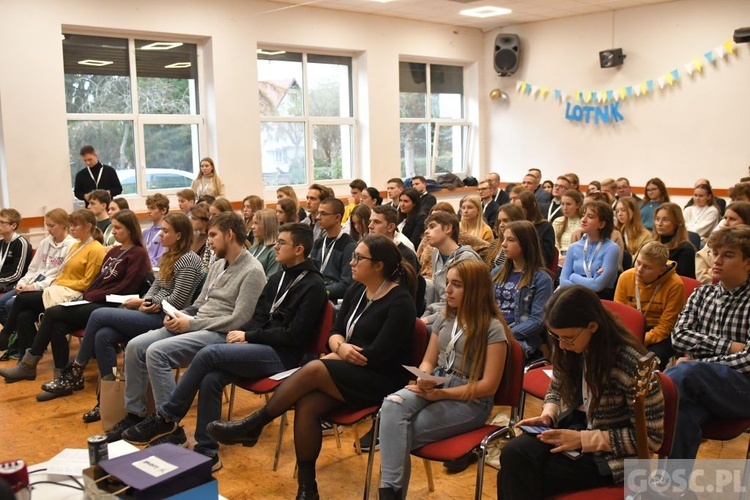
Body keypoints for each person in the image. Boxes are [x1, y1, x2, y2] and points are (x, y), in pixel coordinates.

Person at [207, 234, 418, 499]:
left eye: (358, 258)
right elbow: (335, 331)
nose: (352, 262)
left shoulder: (400, 302)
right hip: (349, 368)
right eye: (353, 256)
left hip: (381, 379)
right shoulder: (357, 289)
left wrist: (336, 352)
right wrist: (339, 347)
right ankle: (307, 488)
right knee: (307, 404)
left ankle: (255, 423)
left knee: (316, 369)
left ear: (379, 266)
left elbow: (377, 355)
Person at [120, 223, 326, 470]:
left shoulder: (313, 286)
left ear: (299, 249)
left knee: (209, 354)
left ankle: (167, 416)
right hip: (261, 344)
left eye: (282, 243)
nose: (276, 247)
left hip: (283, 356)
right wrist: (250, 334)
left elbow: (295, 336)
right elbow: (260, 315)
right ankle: (207, 450)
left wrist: (250, 335)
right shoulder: (280, 276)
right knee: (211, 378)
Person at [106, 212, 266, 443]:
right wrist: (178, 315)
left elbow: (239, 320)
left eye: (213, 235)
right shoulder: (218, 264)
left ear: (230, 235)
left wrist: (190, 323)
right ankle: (135, 413)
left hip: (219, 334)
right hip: (196, 324)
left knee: (156, 353)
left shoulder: (252, 271)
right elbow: (200, 303)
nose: (208, 240)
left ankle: (170, 427)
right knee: (135, 346)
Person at [498, 285, 664, 498]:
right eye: (557, 337)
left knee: (522, 474)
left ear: (592, 326)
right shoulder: (567, 347)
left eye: (568, 337)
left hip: (612, 454)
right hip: (574, 427)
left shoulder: (630, 363)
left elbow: (650, 439)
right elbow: (556, 387)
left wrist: (583, 440)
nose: (562, 345)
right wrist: (548, 415)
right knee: (513, 453)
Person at [42, 213, 203, 420]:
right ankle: (107, 401)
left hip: (166, 319)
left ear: (179, 235)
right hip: (152, 311)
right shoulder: (168, 256)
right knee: (103, 336)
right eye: (161, 230)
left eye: (165, 231)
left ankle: (76, 369)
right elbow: (154, 288)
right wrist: (146, 302)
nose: (160, 235)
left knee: (99, 315)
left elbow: (178, 301)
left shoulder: (188, 260)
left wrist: (146, 303)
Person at [378, 259, 510, 498]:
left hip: (470, 400)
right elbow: (429, 360)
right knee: (391, 405)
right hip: (437, 383)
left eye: (456, 285)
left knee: (396, 432)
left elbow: (488, 386)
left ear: (475, 290)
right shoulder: (446, 317)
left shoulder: (493, 328)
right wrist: (424, 377)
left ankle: (389, 494)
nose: (446, 290)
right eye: (447, 282)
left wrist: (441, 393)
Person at [0, 210, 150, 397]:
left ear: (130, 229)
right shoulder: (114, 251)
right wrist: (91, 293)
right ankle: (62, 378)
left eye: (118, 228)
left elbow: (127, 287)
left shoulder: (138, 254)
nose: (114, 232)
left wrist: (93, 294)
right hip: (93, 298)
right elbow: (99, 280)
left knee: (52, 313)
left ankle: (29, 363)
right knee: (57, 325)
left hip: (111, 305)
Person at [666, 225, 750, 461]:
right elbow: (679, 336)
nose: (717, 260)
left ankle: (648, 407)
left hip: (742, 389)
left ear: (748, 263)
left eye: (728, 255)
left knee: (684, 373)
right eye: (715, 253)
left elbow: (749, 360)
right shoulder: (702, 294)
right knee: (684, 412)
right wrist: (728, 346)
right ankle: (675, 490)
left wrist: (700, 363)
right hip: (700, 384)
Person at [0, 209, 104, 360]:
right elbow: (49, 271)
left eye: (75, 225)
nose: (72, 228)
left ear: (88, 227)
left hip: (70, 293)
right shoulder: (77, 246)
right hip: (57, 288)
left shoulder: (93, 248)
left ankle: (6, 334)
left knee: (20, 300)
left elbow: (86, 283)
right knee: (23, 316)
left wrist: (53, 283)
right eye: (71, 225)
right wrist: (27, 282)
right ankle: (24, 360)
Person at [0, 209, 75, 349]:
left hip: (50, 289)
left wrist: (34, 287)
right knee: (16, 311)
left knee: (11, 304)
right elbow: (33, 269)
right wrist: (23, 283)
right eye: (47, 225)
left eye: (52, 226)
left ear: (64, 225)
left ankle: (8, 335)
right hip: (32, 284)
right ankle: (23, 351)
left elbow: (58, 277)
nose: (48, 229)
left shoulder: (72, 246)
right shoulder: (45, 243)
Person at [614, 241, 685, 369]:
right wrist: (629, 337)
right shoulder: (625, 277)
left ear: (661, 270)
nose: (639, 270)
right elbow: (620, 315)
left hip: (659, 334)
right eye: (638, 263)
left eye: (647, 267)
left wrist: (642, 339)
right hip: (631, 329)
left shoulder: (675, 285)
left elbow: (666, 326)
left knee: (650, 362)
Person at [492, 221, 553, 362]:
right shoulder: (496, 272)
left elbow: (537, 321)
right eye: (504, 239)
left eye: (510, 240)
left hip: (521, 337)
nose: (503, 244)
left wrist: (503, 334)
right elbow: (484, 306)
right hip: (494, 330)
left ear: (525, 244)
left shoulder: (541, 279)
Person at [421, 212, 481, 326]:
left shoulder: (467, 258)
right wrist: (424, 317)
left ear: (448, 228)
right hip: (440, 311)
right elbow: (437, 297)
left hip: (460, 316)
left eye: (432, 227)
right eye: (427, 228)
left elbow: (467, 303)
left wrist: (426, 320)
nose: (426, 231)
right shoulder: (435, 254)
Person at [559, 201, 619, 300]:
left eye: (590, 217)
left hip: (600, 302)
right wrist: (589, 282)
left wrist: (573, 276)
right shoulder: (574, 247)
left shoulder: (612, 249)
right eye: (583, 215)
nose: (583, 220)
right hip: (573, 299)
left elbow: (597, 286)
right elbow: (563, 282)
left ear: (602, 224)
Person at [310, 198, 356, 301]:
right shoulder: (318, 243)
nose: (318, 217)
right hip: (316, 294)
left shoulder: (349, 246)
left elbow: (346, 284)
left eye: (323, 214)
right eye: (318, 213)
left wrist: (320, 292)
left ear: (337, 217)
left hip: (333, 300)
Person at [696, 201, 750, 283]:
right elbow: (700, 275)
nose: (726, 223)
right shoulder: (718, 239)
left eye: (732, 219)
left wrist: (712, 272)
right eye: (725, 218)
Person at [652, 202, 696, 278]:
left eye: (665, 220)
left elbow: (682, 279)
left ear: (677, 223)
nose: (659, 223)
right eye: (657, 219)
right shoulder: (650, 244)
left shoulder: (685, 249)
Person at [515, 190, 555, 269]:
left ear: (533, 206)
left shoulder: (545, 227)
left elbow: (547, 257)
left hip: (536, 268)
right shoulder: (516, 226)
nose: (519, 212)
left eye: (522, 208)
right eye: (517, 208)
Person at [0, 209, 32, 294]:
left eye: (2, 223)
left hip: (13, 283)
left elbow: (17, 274)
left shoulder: (21, 243)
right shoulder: (1, 243)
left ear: (13, 226)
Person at [485, 203, 525, 270]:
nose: (501, 225)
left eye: (505, 221)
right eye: (499, 221)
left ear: (517, 221)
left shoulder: (522, 244)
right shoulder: (494, 244)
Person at [552, 189, 583, 269]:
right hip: (559, 258)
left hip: (577, 259)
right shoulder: (558, 221)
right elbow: (555, 244)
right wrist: (559, 257)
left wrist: (568, 258)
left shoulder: (583, 222)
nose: (565, 208)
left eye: (568, 204)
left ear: (577, 205)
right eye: (562, 204)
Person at [249, 208, 281, 278]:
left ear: (267, 226)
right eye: (253, 223)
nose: (252, 227)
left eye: (256, 223)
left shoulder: (275, 250)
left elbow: (271, 279)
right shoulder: (253, 248)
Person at [143, 193, 169, 268]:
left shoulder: (166, 233)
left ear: (163, 210)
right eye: (148, 208)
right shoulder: (146, 232)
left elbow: (160, 260)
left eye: (153, 208)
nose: (149, 211)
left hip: (155, 271)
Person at [190, 202, 212, 271]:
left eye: (194, 219)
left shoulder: (208, 240)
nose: (191, 221)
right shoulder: (194, 236)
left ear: (204, 220)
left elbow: (202, 265)